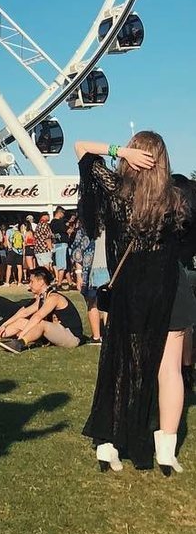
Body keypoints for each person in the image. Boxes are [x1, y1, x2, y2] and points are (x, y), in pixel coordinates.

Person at [77, 133, 194, 474]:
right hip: (169, 288)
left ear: (133, 156)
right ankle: (166, 451)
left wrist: (118, 150)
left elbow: (81, 148)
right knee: (170, 370)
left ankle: (109, 444)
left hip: (131, 290)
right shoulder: (177, 199)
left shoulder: (116, 190)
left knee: (122, 365)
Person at [0, 268, 84, 352]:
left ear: (41, 282)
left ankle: (20, 343)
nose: (30, 285)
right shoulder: (42, 297)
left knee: (41, 324)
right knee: (21, 321)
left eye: (32, 281)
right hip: (56, 331)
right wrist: (3, 325)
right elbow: (24, 312)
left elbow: (37, 317)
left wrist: (23, 334)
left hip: (71, 336)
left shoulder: (54, 297)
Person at [50, 206, 70, 286]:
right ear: (59, 212)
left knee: (65, 264)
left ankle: (70, 282)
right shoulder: (59, 222)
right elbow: (68, 230)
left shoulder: (52, 223)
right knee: (62, 266)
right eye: (63, 213)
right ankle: (59, 284)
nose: (63, 215)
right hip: (62, 244)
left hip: (56, 244)